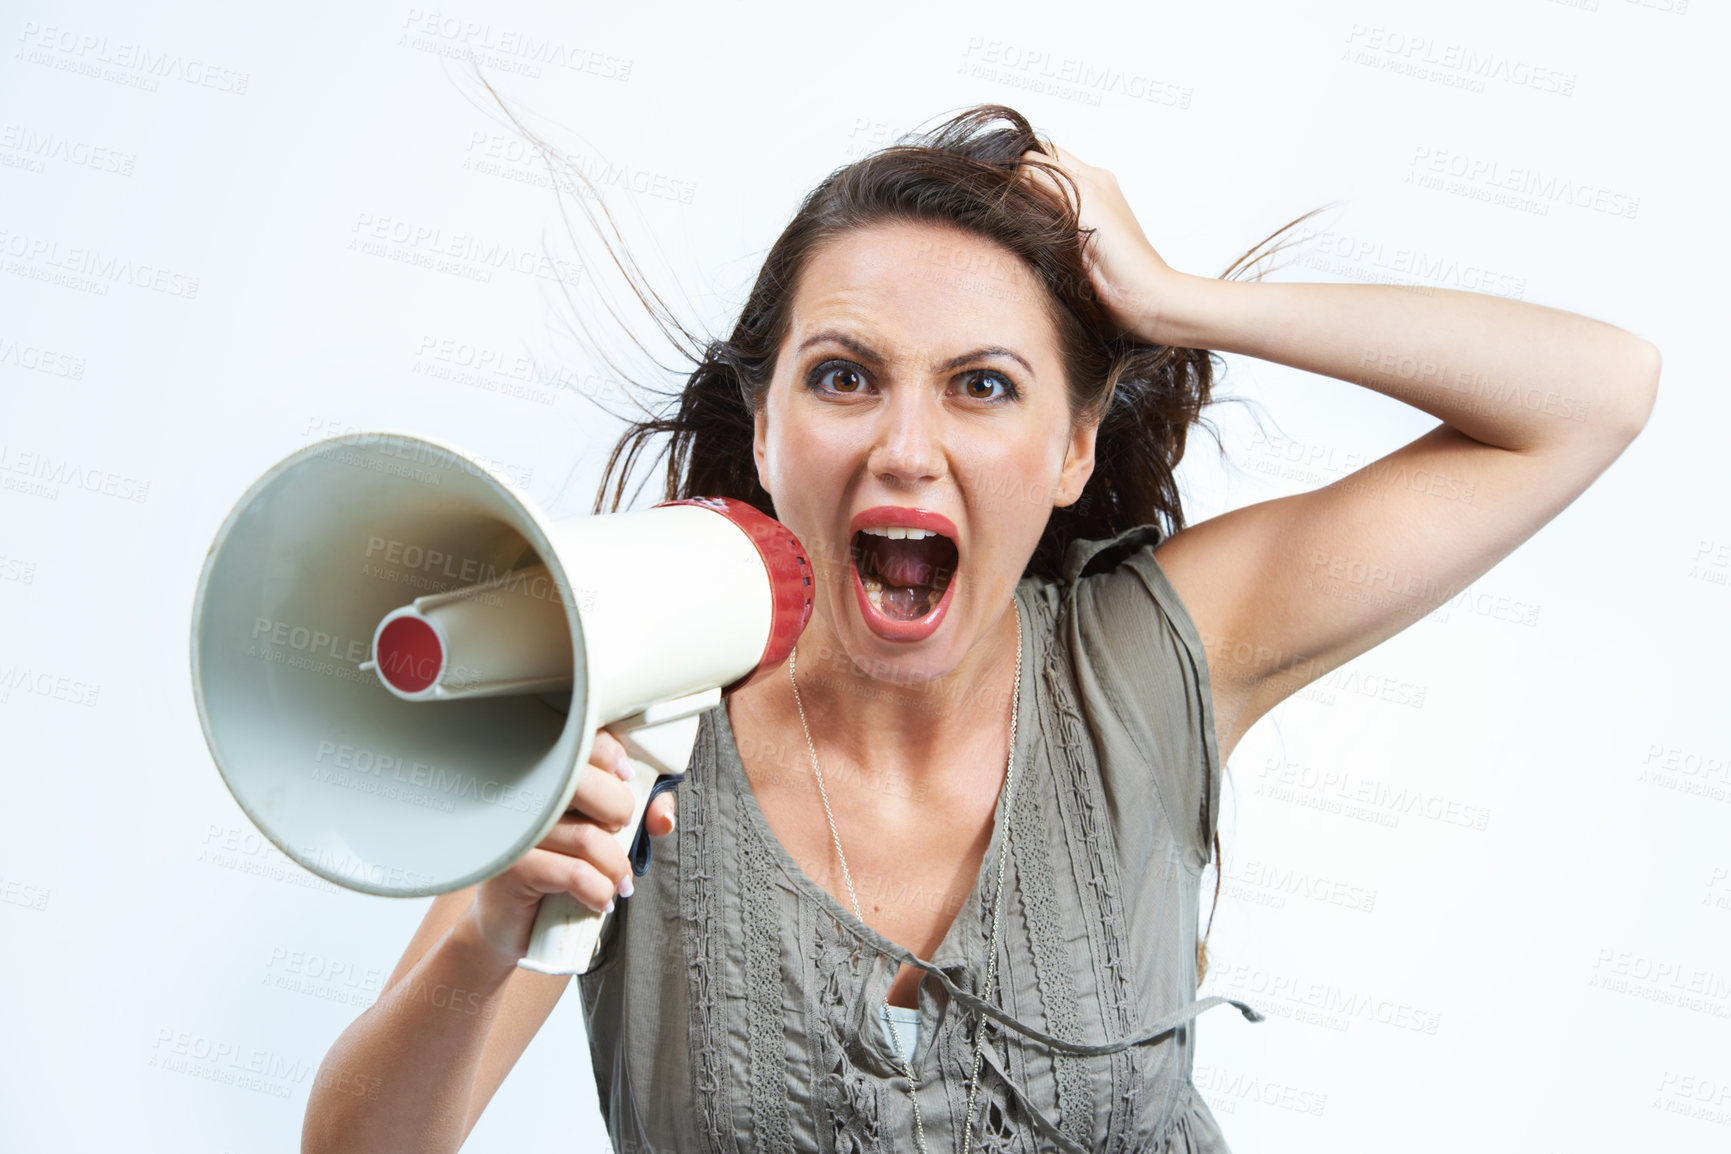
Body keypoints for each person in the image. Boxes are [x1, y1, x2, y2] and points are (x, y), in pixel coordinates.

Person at [302, 104, 1659, 1153]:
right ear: (766, 426)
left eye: (982, 386)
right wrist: (489, 934)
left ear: (1072, 444)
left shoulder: (1154, 657)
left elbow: (1593, 394)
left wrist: (1182, 303)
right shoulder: (619, 720)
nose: (907, 445)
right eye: (845, 377)